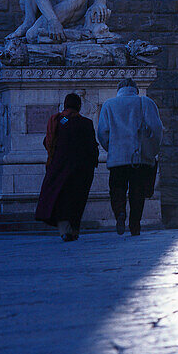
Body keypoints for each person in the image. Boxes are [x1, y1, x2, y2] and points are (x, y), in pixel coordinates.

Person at [97, 79, 163, 236]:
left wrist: (111, 148)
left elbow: (102, 133)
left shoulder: (108, 105)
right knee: (137, 193)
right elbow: (156, 128)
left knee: (117, 190)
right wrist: (151, 150)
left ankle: (120, 213)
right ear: (136, 89)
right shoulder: (145, 102)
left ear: (119, 89)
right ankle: (135, 225)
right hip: (138, 158)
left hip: (117, 158)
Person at [35, 92, 99, 242]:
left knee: (61, 200)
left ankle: (65, 231)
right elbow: (92, 146)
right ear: (79, 106)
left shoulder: (62, 120)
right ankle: (75, 230)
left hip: (60, 167)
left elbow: (49, 139)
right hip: (81, 169)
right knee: (77, 200)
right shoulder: (85, 123)